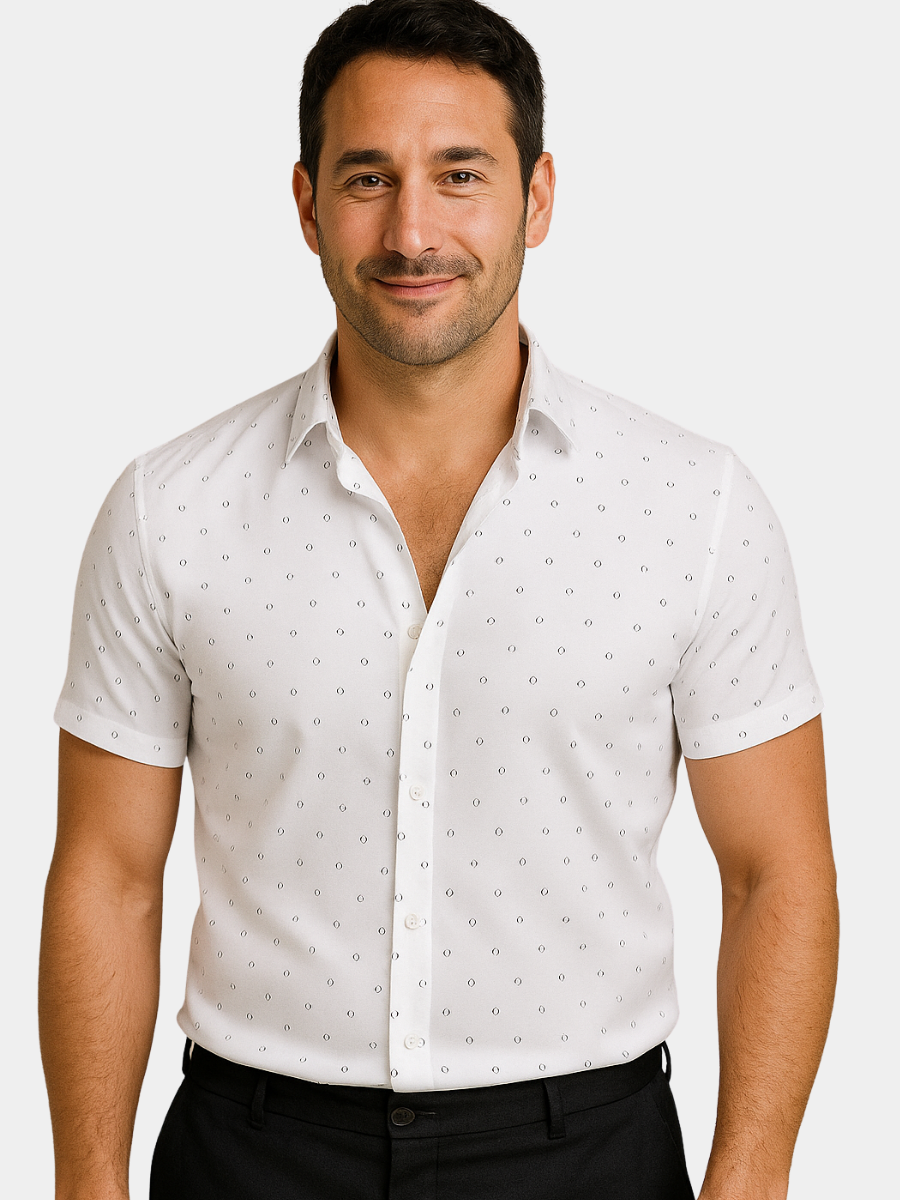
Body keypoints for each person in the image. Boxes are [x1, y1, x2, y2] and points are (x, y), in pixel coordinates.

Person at [39, 1, 838, 1197]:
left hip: (589, 1157)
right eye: (369, 177)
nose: (413, 231)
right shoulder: (170, 510)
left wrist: (752, 1180)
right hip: (254, 1155)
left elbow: (779, 873)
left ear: (538, 197)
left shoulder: (695, 506)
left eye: (461, 174)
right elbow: (107, 875)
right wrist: (85, 1185)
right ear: (307, 205)